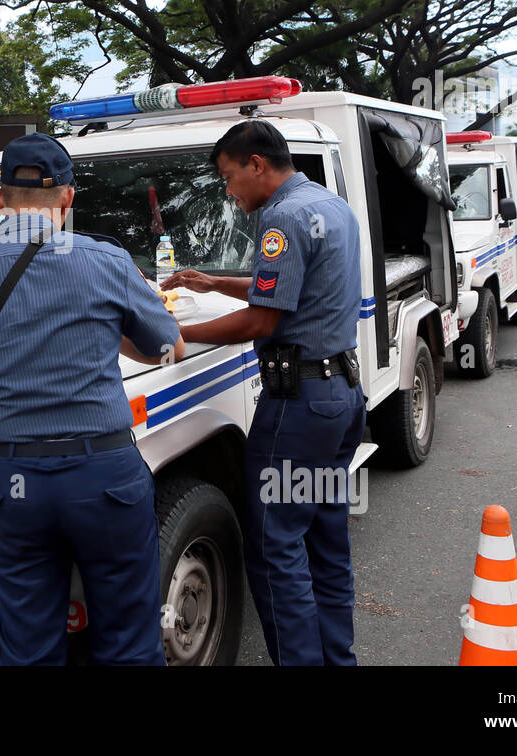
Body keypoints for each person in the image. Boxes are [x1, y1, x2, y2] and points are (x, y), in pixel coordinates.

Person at [0, 133, 184, 666]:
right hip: (105, 477)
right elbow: (167, 347)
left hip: (15, 484)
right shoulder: (105, 260)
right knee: (131, 640)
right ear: (67, 198)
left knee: (28, 647)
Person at [162, 119, 365, 666]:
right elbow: (288, 285)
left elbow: (263, 320)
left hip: (297, 410)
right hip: (339, 397)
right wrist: (213, 281)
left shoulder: (280, 217)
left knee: (276, 548)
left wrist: (178, 333)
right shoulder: (329, 205)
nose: (230, 191)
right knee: (325, 542)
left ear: (256, 165)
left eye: (230, 178)